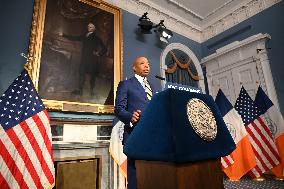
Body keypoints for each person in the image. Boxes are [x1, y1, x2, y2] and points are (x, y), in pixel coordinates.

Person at [114, 56, 155, 189]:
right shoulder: (126, 84)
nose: (146, 66)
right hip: (134, 135)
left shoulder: (152, 86)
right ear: (134, 67)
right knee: (135, 176)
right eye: (142, 63)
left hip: (153, 137)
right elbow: (118, 109)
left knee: (151, 174)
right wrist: (130, 117)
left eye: (148, 64)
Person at [60, 22, 107, 96]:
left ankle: (92, 91)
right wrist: (64, 35)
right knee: (81, 73)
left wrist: (98, 53)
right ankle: (80, 90)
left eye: (91, 27)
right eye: (88, 26)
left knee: (92, 76)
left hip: (92, 60)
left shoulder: (97, 38)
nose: (89, 28)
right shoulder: (85, 36)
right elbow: (75, 38)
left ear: (94, 29)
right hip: (84, 59)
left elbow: (104, 49)